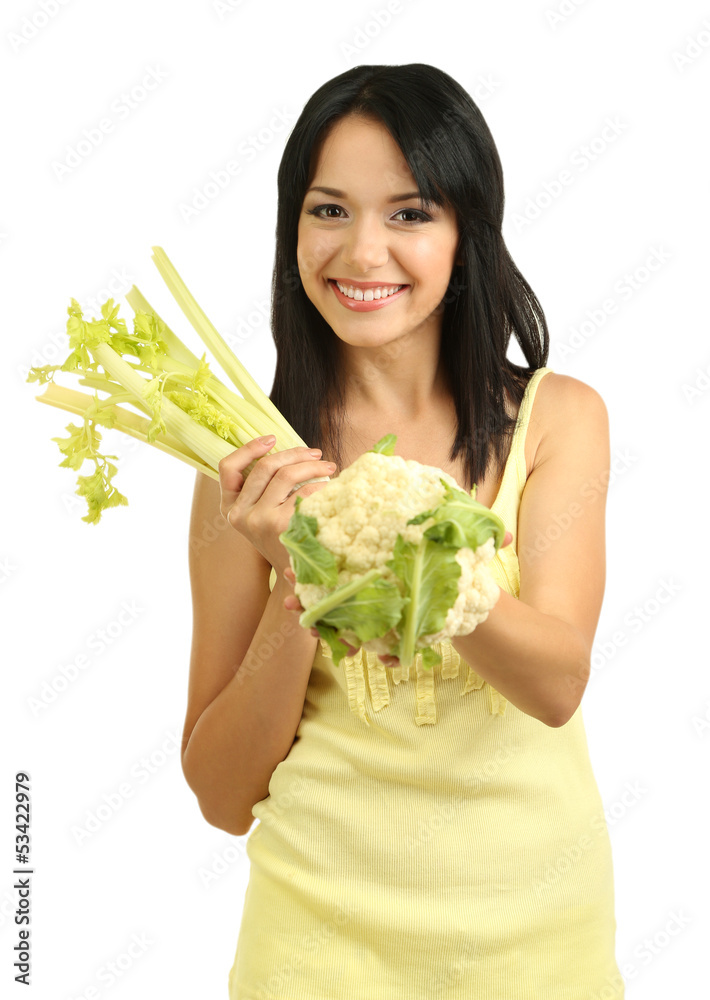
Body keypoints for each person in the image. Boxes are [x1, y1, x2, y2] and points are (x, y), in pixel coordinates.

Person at [181, 64, 625, 999]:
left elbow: (555, 684)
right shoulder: (247, 467)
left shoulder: (557, 420)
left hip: (534, 950)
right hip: (312, 954)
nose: (362, 252)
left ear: (467, 235)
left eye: (411, 214)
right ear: (291, 229)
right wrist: (303, 579)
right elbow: (223, 799)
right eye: (329, 210)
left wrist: (412, 559)